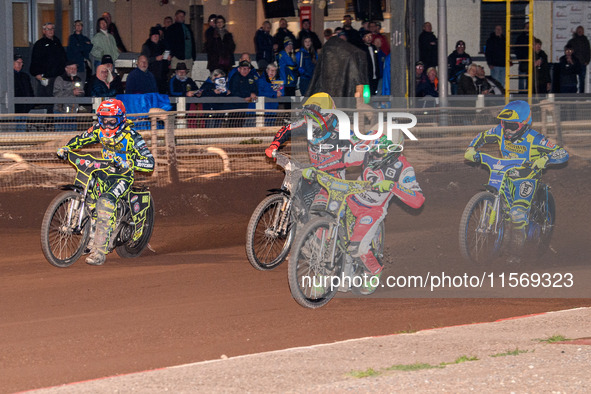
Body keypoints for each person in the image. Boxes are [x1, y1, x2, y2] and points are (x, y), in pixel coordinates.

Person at [464, 100, 569, 259]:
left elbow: (562, 153)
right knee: (506, 212)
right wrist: (471, 149)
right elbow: (482, 137)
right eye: (504, 123)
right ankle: (501, 239)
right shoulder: (500, 131)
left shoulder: (535, 139)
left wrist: (544, 160)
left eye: (512, 126)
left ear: (525, 124)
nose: (507, 129)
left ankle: (516, 254)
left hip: (526, 179)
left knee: (517, 213)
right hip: (504, 176)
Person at [56, 99, 154, 266]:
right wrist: (66, 148)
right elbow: (81, 139)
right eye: (103, 120)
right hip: (104, 172)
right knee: (90, 197)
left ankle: (99, 252)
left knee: (105, 203)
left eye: (112, 121)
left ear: (121, 119)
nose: (107, 126)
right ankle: (90, 237)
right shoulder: (98, 131)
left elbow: (150, 162)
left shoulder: (132, 136)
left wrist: (130, 163)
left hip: (123, 176)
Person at [341, 134, 425, 280]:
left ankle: (374, 270)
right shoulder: (367, 151)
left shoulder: (404, 168)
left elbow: (418, 201)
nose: (377, 152)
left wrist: (393, 186)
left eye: (382, 149)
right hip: (350, 199)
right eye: (376, 146)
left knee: (357, 248)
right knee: (325, 223)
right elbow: (342, 160)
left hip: (372, 210)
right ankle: (324, 272)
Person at [29, 22, 67, 102]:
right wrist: (37, 74)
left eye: (52, 29)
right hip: (46, 77)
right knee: (46, 99)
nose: (50, 31)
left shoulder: (57, 42)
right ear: (44, 31)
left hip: (58, 76)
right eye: (48, 29)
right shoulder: (39, 44)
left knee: (59, 98)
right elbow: (35, 60)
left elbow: (63, 58)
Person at [228, 60, 258, 127]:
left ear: (249, 70)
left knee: (241, 124)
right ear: (239, 69)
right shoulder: (235, 77)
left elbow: (255, 89)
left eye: (247, 69)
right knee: (233, 125)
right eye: (243, 68)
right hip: (234, 107)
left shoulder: (251, 77)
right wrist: (248, 94)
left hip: (245, 106)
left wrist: (252, 94)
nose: (245, 70)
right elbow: (234, 91)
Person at [141, 26, 168, 94]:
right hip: (151, 75)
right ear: (151, 36)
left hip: (162, 75)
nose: (156, 37)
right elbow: (144, 60)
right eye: (154, 35)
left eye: (157, 35)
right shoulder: (146, 46)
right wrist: (155, 58)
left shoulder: (162, 45)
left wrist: (168, 58)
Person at [66, 20, 93, 84]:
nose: (78, 27)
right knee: (74, 84)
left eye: (80, 25)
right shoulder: (72, 38)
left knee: (83, 84)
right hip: (75, 65)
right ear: (74, 27)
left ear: (82, 27)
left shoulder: (85, 38)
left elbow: (90, 47)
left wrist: (80, 45)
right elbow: (74, 49)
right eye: (76, 25)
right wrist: (84, 45)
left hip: (83, 66)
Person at [567, 25, 591, 93]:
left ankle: (581, 94)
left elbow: (588, 51)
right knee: (573, 80)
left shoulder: (586, 41)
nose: (580, 32)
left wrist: (587, 61)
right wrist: (570, 59)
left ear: (583, 32)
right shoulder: (572, 41)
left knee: (582, 80)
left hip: (582, 63)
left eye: (581, 30)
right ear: (576, 31)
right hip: (574, 63)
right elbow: (568, 50)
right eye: (578, 30)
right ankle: (573, 93)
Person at [362, 30, 380, 95]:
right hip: (367, 76)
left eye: (370, 36)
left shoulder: (373, 47)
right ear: (363, 38)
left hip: (375, 75)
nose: (369, 38)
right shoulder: (362, 49)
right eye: (367, 36)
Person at [514, 22, 529, 93]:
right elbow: (516, 48)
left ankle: (527, 92)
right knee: (522, 77)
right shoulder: (520, 38)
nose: (528, 28)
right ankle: (521, 93)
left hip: (529, 60)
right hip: (523, 60)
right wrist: (520, 57)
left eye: (529, 27)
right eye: (527, 27)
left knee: (529, 78)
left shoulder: (532, 38)